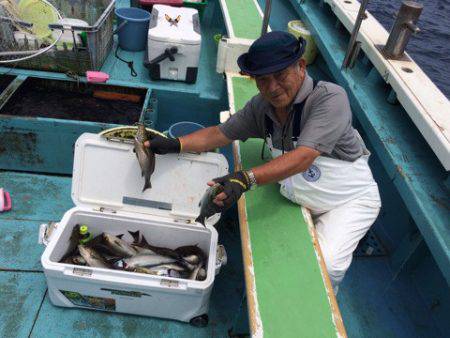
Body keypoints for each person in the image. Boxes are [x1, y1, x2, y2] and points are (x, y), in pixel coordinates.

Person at [146, 31, 381, 293]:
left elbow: (304, 156)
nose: (272, 87)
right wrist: (175, 144)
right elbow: (219, 133)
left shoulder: (329, 98)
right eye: (263, 79)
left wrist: (245, 179)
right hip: (294, 192)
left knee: (328, 265)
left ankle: (326, 298)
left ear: (301, 67)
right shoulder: (262, 107)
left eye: (280, 76)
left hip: (347, 200)